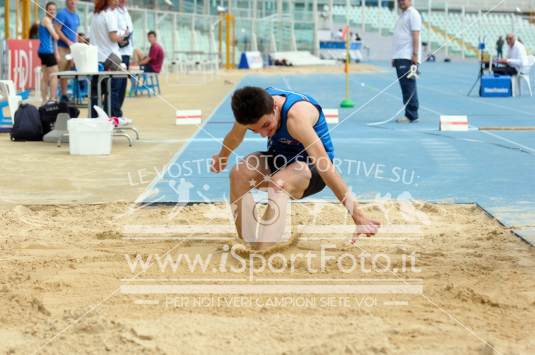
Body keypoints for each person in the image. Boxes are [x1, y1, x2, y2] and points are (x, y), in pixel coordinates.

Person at [210, 87, 380, 250]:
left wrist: (358, 216)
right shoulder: (254, 107)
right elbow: (235, 136)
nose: (263, 134)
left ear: (274, 107)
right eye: (256, 131)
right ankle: (248, 243)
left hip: (311, 170)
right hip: (281, 160)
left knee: (279, 183)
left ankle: (263, 251)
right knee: (238, 173)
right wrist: (222, 157)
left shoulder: (296, 117)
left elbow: (325, 167)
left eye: (266, 125)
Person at [88, 0, 125, 119]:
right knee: (113, 90)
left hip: (96, 59)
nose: (117, 2)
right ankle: (113, 117)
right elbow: (113, 37)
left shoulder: (95, 15)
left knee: (96, 92)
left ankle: (95, 117)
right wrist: (123, 36)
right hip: (111, 57)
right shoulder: (110, 14)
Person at [392, 0, 421, 123]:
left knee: (408, 85)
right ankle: (409, 112)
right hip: (400, 55)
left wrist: (415, 55)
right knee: (404, 86)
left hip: (407, 56)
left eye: (404, 0)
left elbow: (416, 35)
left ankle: (411, 114)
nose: (401, 2)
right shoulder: (402, 15)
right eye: (399, 0)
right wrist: (395, 56)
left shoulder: (413, 14)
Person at [54, 0, 80, 102]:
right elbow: (57, 29)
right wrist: (67, 41)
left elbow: (76, 32)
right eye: (70, 0)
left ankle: (65, 94)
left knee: (69, 71)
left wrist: (76, 46)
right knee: (61, 72)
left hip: (72, 48)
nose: (73, 2)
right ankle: (59, 96)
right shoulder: (62, 14)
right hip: (62, 47)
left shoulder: (76, 16)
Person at [38, 1, 60, 104]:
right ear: (46, 10)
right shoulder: (46, 20)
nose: (52, 11)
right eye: (50, 9)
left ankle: (44, 100)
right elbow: (55, 36)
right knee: (54, 75)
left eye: (54, 10)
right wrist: (57, 32)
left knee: (46, 76)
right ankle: (52, 99)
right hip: (47, 52)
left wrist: (57, 53)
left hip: (44, 52)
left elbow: (53, 39)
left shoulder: (50, 21)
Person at [116, 0, 133, 117]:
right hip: (118, 53)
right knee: (117, 85)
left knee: (123, 86)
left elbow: (130, 31)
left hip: (126, 52)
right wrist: (124, 33)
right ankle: (115, 114)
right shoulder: (113, 12)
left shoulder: (126, 12)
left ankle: (118, 113)